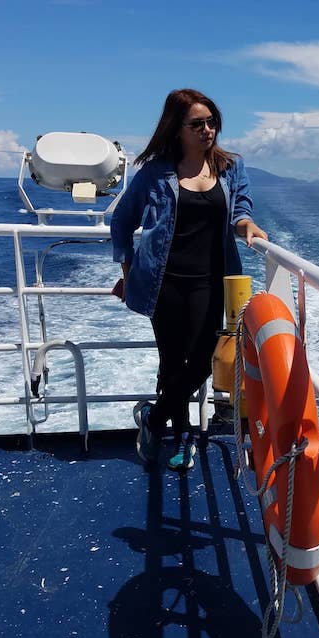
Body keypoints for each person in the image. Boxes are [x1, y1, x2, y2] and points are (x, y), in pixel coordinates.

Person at [110, 89, 267, 471]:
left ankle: (153, 418)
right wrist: (127, 271)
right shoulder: (155, 173)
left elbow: (240, 208)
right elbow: (122, 221)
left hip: (210, 282)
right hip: (163, 281)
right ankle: (182, 438)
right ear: (177, 128)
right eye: (197, 124)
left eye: (211, 122)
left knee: (201, 363)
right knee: (172, 363)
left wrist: (245, 223)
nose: (207, 130)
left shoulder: (230, 167)